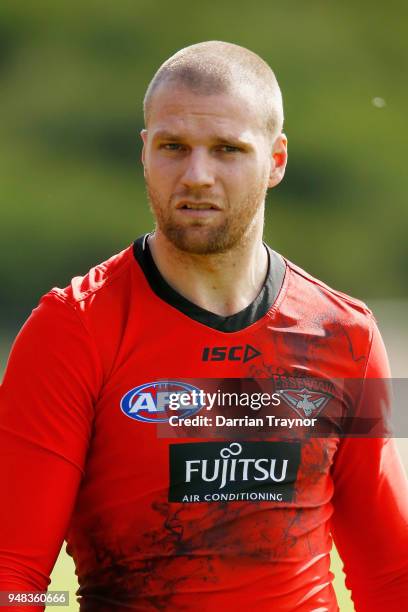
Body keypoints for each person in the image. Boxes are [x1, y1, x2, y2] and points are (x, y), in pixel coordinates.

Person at [0, 40, 407, 612]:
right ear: (145, 153)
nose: (196, 175)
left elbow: (393, 574)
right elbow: (12, 572)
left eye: (227, 150)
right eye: (174, 146)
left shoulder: (349, 335)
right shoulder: (71, 329)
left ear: (277, 160)